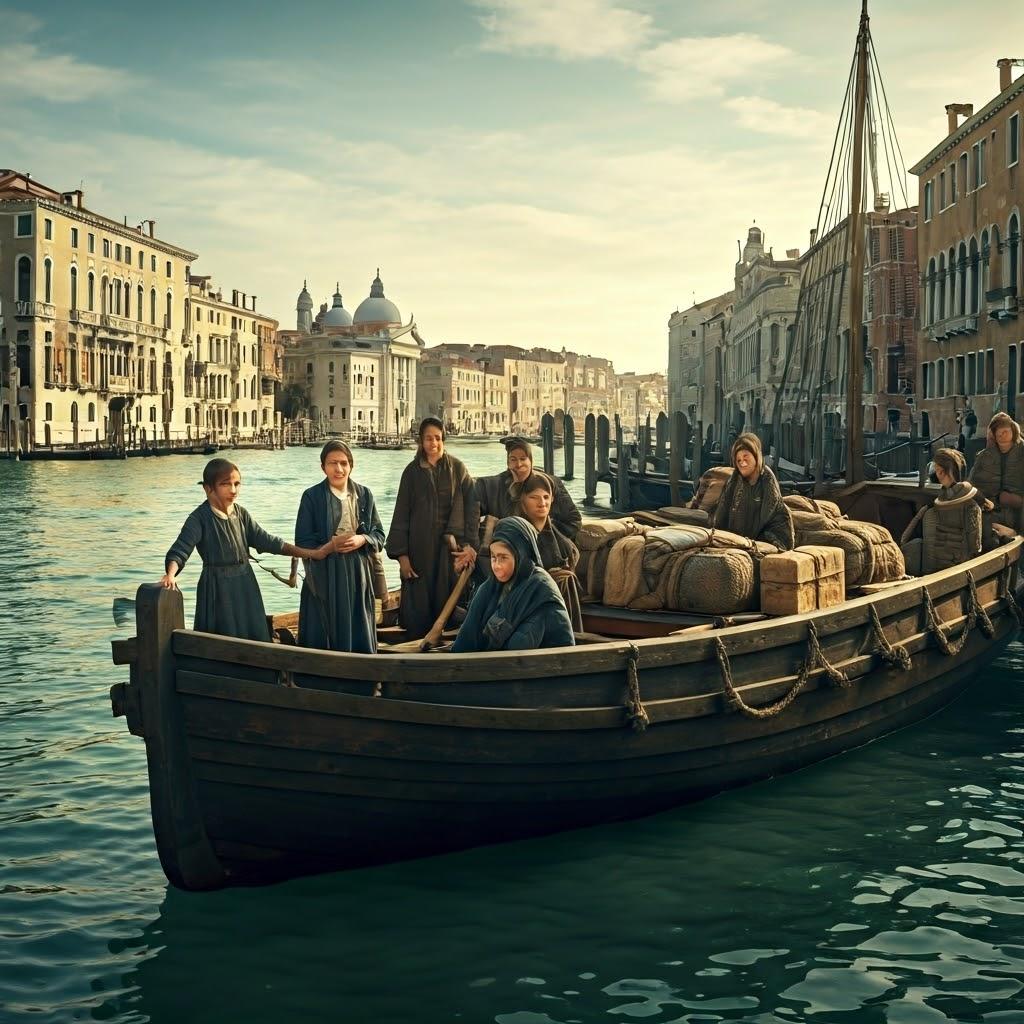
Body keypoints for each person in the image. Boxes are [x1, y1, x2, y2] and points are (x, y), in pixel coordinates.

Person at [160, 457, 331, 641]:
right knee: (221, 640)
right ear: (208, 488)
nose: (233, 490)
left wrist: (312, 553)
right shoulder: (199, 518)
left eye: (237, 483)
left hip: (245, 583)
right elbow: (181, 549)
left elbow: (268, 541)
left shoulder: (241, 514)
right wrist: (171, 575)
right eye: (226, 484)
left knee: (254, 636)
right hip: (218, 588)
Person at [386, 416, 479, 640]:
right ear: (421, 441)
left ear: (443, 440)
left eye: (437, 438)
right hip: (419, 550)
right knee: (418, 605)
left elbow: (472, 507)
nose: (433, 443)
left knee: (450, 601)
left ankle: (448, 647)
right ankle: (416, 647)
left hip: (450, 549)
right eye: (428, 438)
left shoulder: (457, 468)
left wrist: (470, 546)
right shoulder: (411, 472)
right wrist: (402, 557)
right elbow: (401, 515)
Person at [294, 440, 386, 653]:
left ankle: (359, 673)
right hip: (324, 573)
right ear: (323, 467)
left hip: (357, 573)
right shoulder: (312, 497)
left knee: (357, 623)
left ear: (351, 465)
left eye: (344, 463)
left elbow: (379, 535)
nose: (339, 469)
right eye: (332, 463)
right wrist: (330, 546)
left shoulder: (364, 495)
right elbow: (303, 542)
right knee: (323, 626)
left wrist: (362, 540)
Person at [450, 516, 575, 652]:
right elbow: (467, 635)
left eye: (504, 557)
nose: (496, 566)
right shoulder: (490, 587)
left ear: (522, 555)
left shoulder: (539, 587)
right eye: (493, 557)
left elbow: (519, 648)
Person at [511, 470, 583, 630]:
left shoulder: (560, 541)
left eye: (545, 497)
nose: (542, 503)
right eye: (533, 497)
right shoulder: (516, 534)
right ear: (522, 501)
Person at [475, 438, 581, 540]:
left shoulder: (552, 483)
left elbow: (573, 521)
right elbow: (471, 518)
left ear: (530, 461)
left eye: (523, 459)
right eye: (513, 459)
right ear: (508, 463)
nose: (519, 464)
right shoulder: (489, 486)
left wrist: (543, 535)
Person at [900, 448, 983, 574]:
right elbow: (975, 548)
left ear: (939, 471)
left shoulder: (930, 509)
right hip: (958, 571)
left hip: (932, 571)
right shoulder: (971, 507)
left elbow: (904, 539)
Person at [712, 432, 794, 551]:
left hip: (770, 539)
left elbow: (767, 515)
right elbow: (722, 513)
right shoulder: (734, 481)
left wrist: (749, 542)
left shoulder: (767, 479)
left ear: (756, 457)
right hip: (739, 541)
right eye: (739, 460)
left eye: (746, 458)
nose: (742, 463)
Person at [966, 412, 1024, 534]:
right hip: (990, 512)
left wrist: (1019, 500)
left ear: (1013, 430)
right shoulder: (984, 457)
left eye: (1005, 431)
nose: (1001, 435)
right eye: (998, 432)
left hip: (1018, 514)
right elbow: (972, 486)